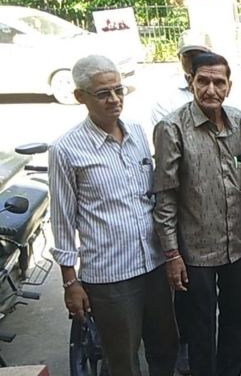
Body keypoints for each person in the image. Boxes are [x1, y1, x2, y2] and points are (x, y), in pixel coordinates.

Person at [149, 33, 241, 376]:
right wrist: (172, 255)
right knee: (200, 328)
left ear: (229, 86)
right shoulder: (172, 128)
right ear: (191, 82)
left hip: (239, 247)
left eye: (219, 82)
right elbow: (165, 196)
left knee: (237, 319)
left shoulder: (240, 122)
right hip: (196, 252)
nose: (211, 90)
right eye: (203, 81)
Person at [50, 55, 178, 376]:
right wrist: (70, 283)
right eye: (103, 93)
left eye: (118, 90)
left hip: (154, 263)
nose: (115, 99)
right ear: (80, 97)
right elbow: (62, 220)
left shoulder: (136, 133)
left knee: (165, 346)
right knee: (122, 358)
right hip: (110, 276)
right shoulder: (66, 150)